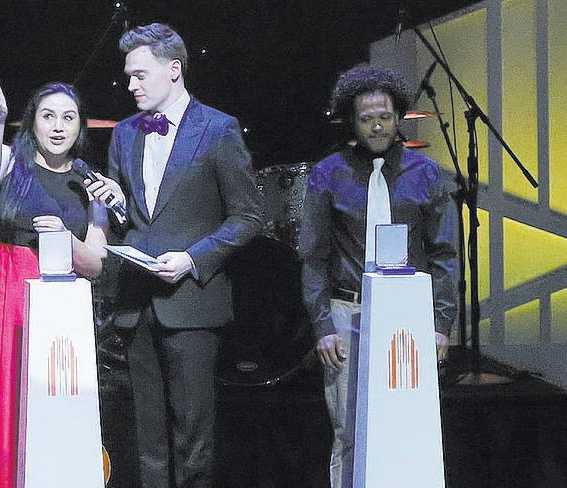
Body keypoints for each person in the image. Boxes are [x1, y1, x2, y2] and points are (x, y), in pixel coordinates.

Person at [85, 23, 263, 488]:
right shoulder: (124, 134)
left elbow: (248, 216)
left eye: (140, 75)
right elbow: (132, 219)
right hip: (136, 302)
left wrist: (193, 258)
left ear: (174, 69)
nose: (130, 85)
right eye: (128, 76)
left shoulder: (218, 129)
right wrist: (116, 206)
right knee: (147, 435)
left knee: (192, 434)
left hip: (191, 301)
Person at [0, 74, 108, 488]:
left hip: (57, 303)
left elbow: (95, 264)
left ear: (80, 125)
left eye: (68, 117)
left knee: (44, 401)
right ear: (32, 121)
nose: (58, 126)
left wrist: (66, 239)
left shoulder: (91, 183)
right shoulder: (12, 157)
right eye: (48, 116)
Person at [298, 65, 457, 488]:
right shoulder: (328, 174)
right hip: (348, 313)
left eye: (384, 116)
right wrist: (322, 326)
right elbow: (313, 256)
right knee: (349, 431)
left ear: (399, 116)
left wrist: (440, 324)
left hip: (408, 318)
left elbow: (444, 254)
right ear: (351, 121)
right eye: (366, 118)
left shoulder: (426, 174)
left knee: (409, 425)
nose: (377, 126)